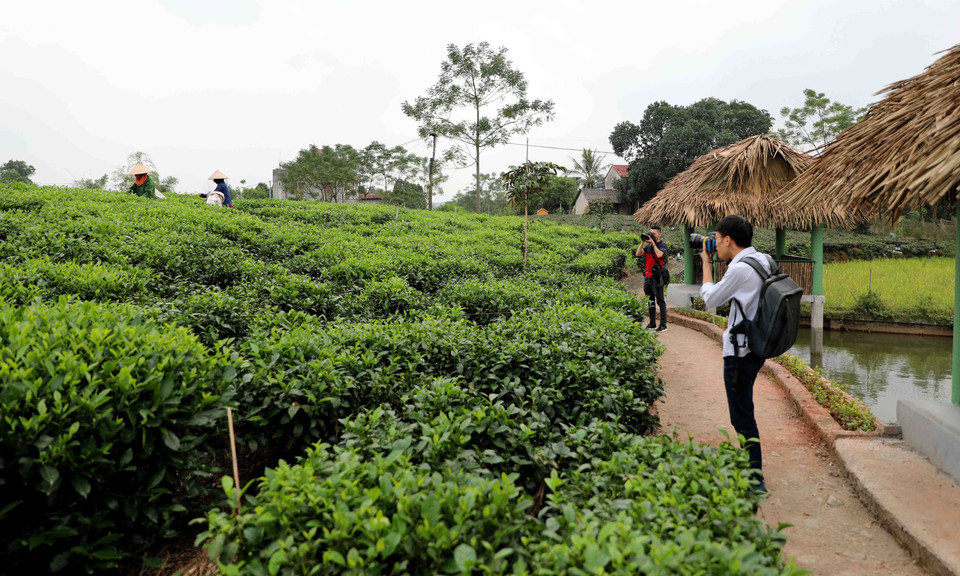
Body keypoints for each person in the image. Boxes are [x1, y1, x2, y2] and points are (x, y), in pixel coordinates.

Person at [699, 214, 771, 493]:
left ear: (728, 240)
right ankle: (749, 466)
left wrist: (706, 263)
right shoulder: (762, 259)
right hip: (756, 347)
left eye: (716, 240)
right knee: (744, 411)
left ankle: (756, 480)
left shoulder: (739, 269)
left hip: (739, 352)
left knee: (742, 415)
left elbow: (711, 299)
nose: (714, 245)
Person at [635, 225, 668, 332]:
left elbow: (659, 255)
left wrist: (653, 244)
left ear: (659, 234)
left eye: (653, 233)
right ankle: (652, 323)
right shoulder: (648, 246)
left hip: (657, 277)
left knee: (660, 301)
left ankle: (663, 325)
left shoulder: (662, 245)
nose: (651, 235)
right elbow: (638, 253)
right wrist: (642, 242)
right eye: (650, 233)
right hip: (648, 277)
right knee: (650, 301)